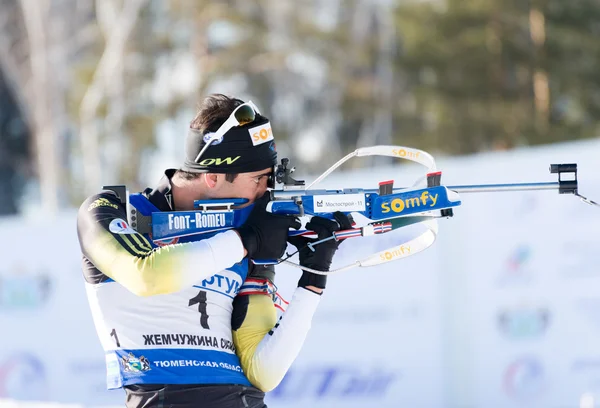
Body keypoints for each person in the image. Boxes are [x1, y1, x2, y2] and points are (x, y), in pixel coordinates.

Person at [76, 94, 350, 408]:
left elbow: (264, 372)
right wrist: (246, 240)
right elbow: (146, 276)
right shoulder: (112, 211)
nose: (266, 192)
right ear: (213, 177)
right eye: (259, 179)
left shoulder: (239, 236)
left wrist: (313, 280)